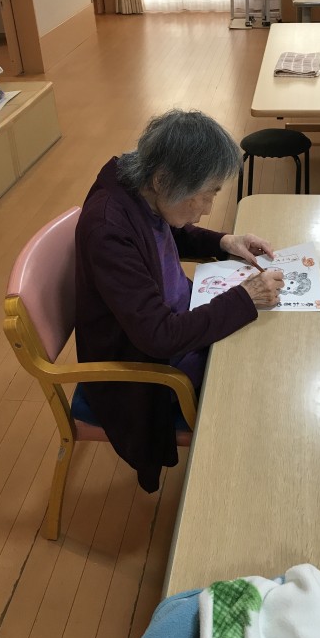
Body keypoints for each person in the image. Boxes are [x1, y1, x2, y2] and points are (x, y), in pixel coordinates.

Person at [74, 109, 285, 491]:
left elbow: (168, 229)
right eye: (204, 195)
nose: (207, 208)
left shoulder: (142, 187)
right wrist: (245, 297)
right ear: (162, 179)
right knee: (256, 393)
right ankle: (234, 487)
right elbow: (159, 337)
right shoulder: (108, 229)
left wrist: (224, 241)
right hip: (140, 370)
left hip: (174, 322)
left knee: (267, 352)